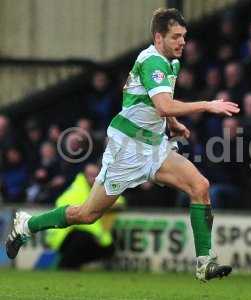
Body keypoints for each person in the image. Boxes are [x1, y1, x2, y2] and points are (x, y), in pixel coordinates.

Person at [6, 8, 239, 282]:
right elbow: (163, 105)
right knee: (87, 214)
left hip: (153, 146)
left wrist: (173, 124)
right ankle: (26, 226)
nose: (182, 42)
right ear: (158, 37)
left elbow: (156, 105)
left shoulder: (171, 62)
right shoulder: (154, 63)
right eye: (176, 37)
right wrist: (207, 104)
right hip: (127, 150)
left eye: (184, 37)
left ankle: (204, 262)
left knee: (199, 186)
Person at [46, 163, 125, 269]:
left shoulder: (101, 187)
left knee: (109, 250)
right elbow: (84, 213)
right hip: (64, 235)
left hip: (90, 233)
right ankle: (65, 265)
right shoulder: (77, 191)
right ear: (84, 175)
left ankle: (74, 264)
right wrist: (105, 206)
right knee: (82, 238)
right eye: (90, 175)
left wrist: (105, 205)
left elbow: (119, 203)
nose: (93, 178)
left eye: (96, 175)